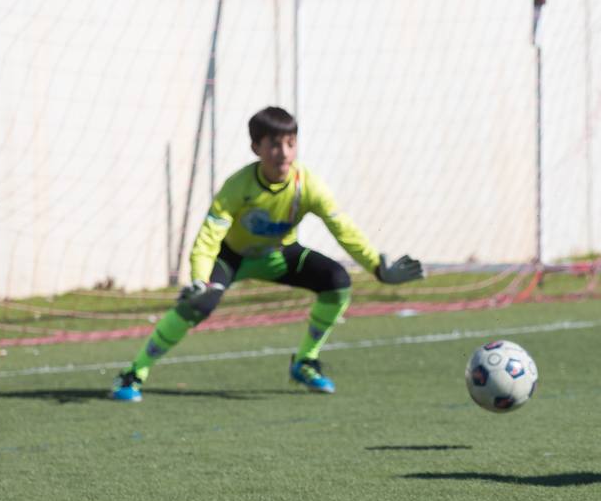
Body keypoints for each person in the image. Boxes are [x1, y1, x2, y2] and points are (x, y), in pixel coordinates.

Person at [111, 106, 423, 402]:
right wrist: (199, 279)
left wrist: (378, 269)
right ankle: (133, 373)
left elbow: (343, 228)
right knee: (199, 303)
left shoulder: (308, 185)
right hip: (232, 257)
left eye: (290, 143)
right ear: (256, 148)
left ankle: (305, 361)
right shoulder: (238, 186)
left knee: (337, 281)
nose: (284, 153)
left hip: (279, 256)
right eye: (274, 145)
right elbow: (208, 238)